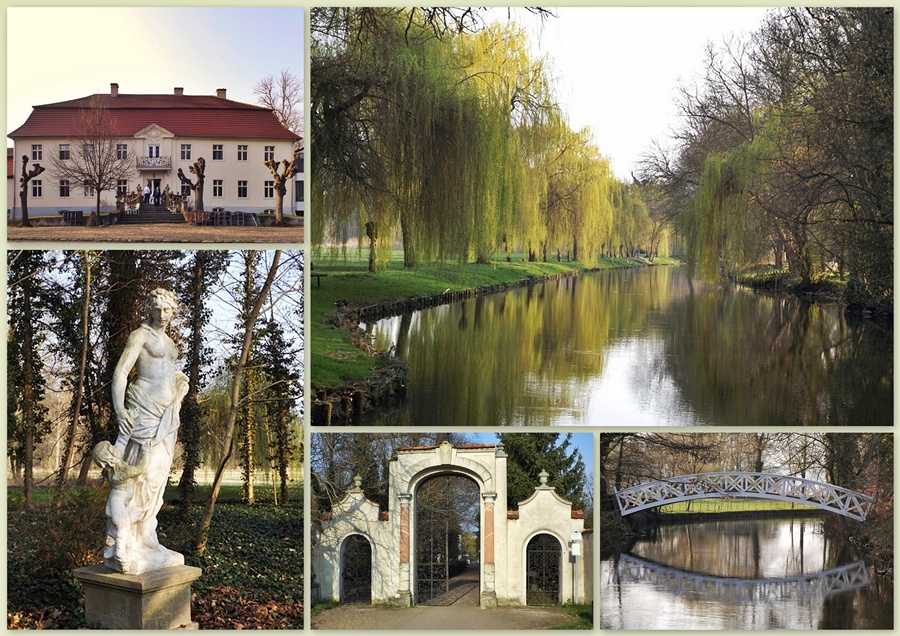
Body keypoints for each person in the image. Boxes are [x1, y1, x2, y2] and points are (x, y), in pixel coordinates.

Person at [109, 288, 190, 574]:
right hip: (143, 410)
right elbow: (121, 373)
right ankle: (125, 541)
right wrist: (120, 410)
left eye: (169, 310)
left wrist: (180, 386)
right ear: (150, 309)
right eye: (158, 309)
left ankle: (146, 535)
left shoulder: (168, 341)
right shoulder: (140, 335)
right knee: (141, 474)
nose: (164, 315)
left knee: (157, 477)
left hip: (167, 414)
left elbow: (167, 373)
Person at [92, 441, 147, 574]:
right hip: (117, 502)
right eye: (111, 447)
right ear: (109, 458)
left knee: (132, 517)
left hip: (121, 501)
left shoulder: (115, 468)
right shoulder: (121, 471)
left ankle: (112, 538)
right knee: (124, 525)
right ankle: (119, 553)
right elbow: (140, 469)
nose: (114, 447)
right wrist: (146, 453)